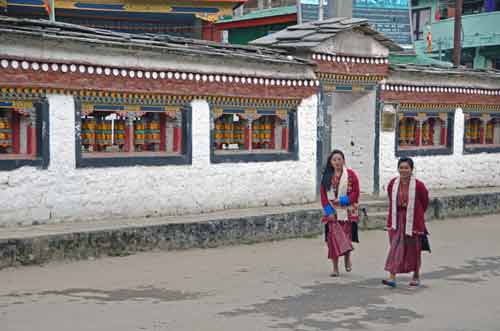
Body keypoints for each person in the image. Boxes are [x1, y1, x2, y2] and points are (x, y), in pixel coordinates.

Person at [382, 157, 430, 287]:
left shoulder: (419, 185)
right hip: (396, 219)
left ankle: (416, 275)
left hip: (413, 221)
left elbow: (425, 202)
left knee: (414, 249)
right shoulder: (393, 183)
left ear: (411, 169)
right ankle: (392, 277)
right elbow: (391, 199)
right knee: (395, 247)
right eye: (401, 168)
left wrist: (416, 213)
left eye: (406, 168)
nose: (403, 170)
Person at [320, 149, 360, 277]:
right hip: (332, 212)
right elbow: (323, 196)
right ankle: (335, 268)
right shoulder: (326, 177)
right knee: (332, 240)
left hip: (346, 212)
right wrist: (329, 211)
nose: (337, 162)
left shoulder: (351, 175)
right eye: (334, 160)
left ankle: (347, 256)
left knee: (346, 238)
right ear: (330, 162)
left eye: (339, 159)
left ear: (343, 160)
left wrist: (343, 200)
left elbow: (355, 192)